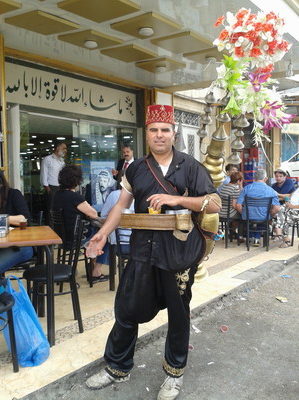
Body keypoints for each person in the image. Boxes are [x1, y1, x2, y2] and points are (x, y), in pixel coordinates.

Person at [85, 104, 221, 400]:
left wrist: (177, 200)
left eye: (165, 130)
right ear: (146, 134)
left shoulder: (190, 167)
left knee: (178, 314)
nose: (159, 135)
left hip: (179, 253)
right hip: (142, 251)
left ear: (174, 133)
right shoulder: (135, 169)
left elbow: (213, 204)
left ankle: (174, 373)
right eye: (153, 130)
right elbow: (121, 206)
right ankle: (117, 367)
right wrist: (102, 234)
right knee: (125, 309)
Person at [53, 165, 108, 282]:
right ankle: (96, 271)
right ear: (77, 180)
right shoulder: (74, 197)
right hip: (77, 238)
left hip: (62, 237)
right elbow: (93, 213)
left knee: (97, 233)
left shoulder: (56, 196)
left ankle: (92, 262)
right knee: (105, 235)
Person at [0, 170, 34, 276]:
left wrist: (3, 219)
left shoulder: (13, 194)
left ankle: (3, 292)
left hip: (20, 246)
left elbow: (25, 219)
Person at [236, 169, 280, 247]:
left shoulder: (246, 189)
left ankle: (250, 237)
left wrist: (243, 214)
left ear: (254, 178)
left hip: (249, 216)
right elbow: (276, 208)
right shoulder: (271, 191)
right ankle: (256, 238)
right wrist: (270, 214)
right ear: (265, 178)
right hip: (263, 216)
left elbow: (238, 205)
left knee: (250, 218)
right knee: (263, 218)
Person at [40, 141, 67, 223]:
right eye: (64, 148)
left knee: (60, 209)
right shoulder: (47, 159)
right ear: (58, 148)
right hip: (52, 188)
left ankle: (59, 229)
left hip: (61, 188)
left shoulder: (62, 161)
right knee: (51, 211)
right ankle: (50, 230)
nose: (65, 150)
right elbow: (43, 175)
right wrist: (48, 190)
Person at [271, 168, 296, 244]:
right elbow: (273, 197)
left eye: (280, 176)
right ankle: (283, 237)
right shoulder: (273, 186)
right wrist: (285, 197)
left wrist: (278, 195)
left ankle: (279, 234)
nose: (278, 178)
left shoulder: (289, 182)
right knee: (272, 213)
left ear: (285, 177)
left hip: (291, 207)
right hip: (279, 206)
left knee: (280, 211)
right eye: (276, 176)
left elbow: (290, 196)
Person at [218, 171, 245, 241]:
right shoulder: (235, 189)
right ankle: (240, 236)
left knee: (238, 214)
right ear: (238, 181)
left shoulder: (224, 186)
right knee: (242, 217)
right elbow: (234, 205)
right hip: (229, 213)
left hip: (221, 212)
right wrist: (242, 212)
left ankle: (232, 232)